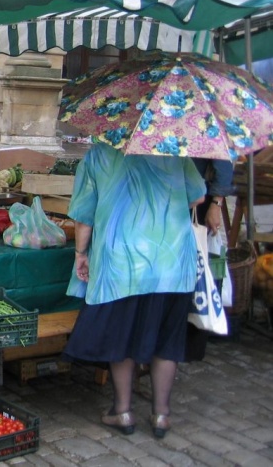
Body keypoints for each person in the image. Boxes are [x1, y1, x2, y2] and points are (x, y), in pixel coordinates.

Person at [62, 142, 206, 438]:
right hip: (172, 262)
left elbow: (83, 215)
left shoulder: (99, 154)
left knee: (121, 336)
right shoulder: (174, 149)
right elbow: (198, 195)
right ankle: (161, 415)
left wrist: (80, 253)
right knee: (168, 339)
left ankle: (123, 411)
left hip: (121, 265)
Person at [185, 157, 235, 360]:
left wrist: (216, 203)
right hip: (178, 198)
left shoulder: (207, 127)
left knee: (198, 269)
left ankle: (192, 339)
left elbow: (223, 161)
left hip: (197, 202)